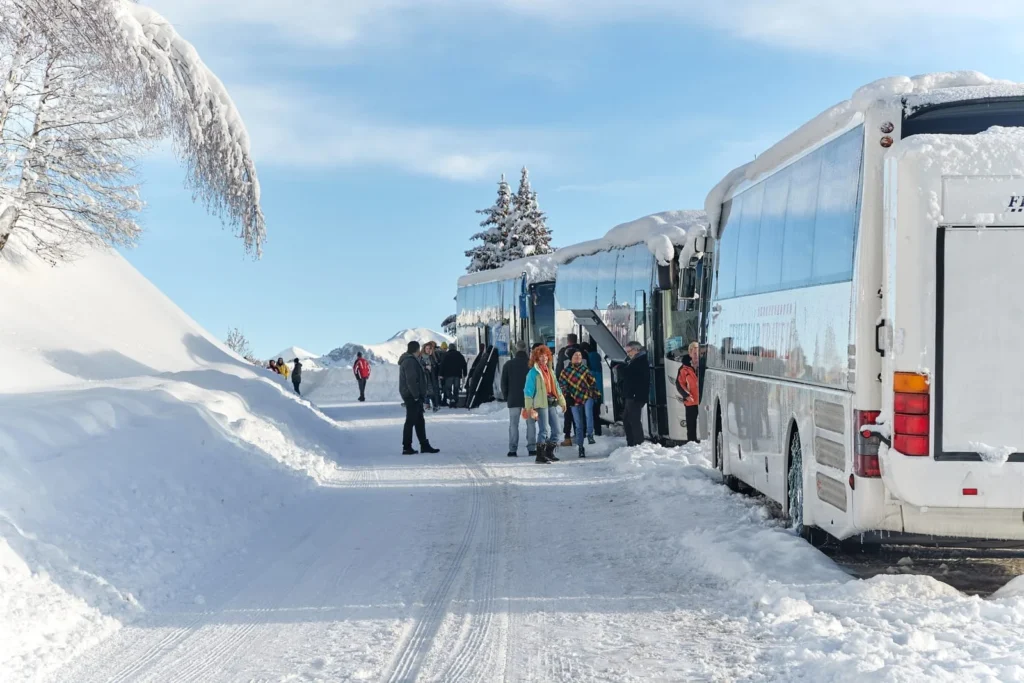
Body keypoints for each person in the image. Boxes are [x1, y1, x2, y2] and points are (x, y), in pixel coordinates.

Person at [523, 344, 566, 464]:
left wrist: (562, 401)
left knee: (557, 430)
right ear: (536, 358)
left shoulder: (550, 371)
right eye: (541, 356)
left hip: (551, 402)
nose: (544, 358)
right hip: (541, 404)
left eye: (546, 356)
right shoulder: (533, 373)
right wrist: (529, 408)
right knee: (544, 429)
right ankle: (540, 456)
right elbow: (528, 391)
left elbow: (556, 387)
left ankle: (548, 452)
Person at [398, 341, 440, 455]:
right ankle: (407, 447)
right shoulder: (410, 361)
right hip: (412, 396)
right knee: (411, 420)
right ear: (416, 350)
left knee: (419, 420)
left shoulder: (410, 360)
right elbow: (411, 380)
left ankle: (424, 444)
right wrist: (416, 396)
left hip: (413, 395)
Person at [559, 350, 599, 458]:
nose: (578, 357)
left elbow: (592, 382)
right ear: (571, 358)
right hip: (574, 398)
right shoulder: (565, 372)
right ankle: (581, 447)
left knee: (588, 414)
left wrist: (594, 393)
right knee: (578, 424)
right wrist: (567, 397)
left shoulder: (585, 369)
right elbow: (562, 386)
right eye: (576, 355)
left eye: (580, 355)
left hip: (587, 396)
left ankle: (590, 435)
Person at [500, 340, 535, 458]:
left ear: (516, 349)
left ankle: (513, 449)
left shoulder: (508, 364)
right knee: (530, 423)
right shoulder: (532, 365)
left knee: (514, 424)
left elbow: (503, 383)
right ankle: (531, 448)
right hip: (529, 399)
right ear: (526, 350)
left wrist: (507, 396)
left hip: (513, 398)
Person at [621, 341, 650, 447]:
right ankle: (632, 442)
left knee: (633, 420)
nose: (628, 353)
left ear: (636, 350)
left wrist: (622, 369)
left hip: (635, 396)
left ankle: (637, 443)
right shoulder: (635, 360)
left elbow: (632, 376)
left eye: (629, 351)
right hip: (631, 395)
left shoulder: (640, 361)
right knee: (627, 419)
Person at [555, 333, 581, 446]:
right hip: (580, 388)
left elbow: (558, 370)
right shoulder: (582, 351)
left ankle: (567, 437)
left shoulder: (563, 353)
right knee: (579, 412)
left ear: (568, 341)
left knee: (568, 413)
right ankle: (579, 435)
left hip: (567, 388)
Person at [675, 354, 700, 444]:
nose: (696, 359)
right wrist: (687, 395)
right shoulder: (683, 369)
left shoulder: (702, 366)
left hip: (703, 401)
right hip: (691, 401)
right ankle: (692, 442)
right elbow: (680, 384)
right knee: (691, 423)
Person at [585, 341, 604, 437]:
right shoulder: (596, 356)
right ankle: (598, 431)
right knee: (596, 412)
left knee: (592, 412)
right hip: (599, 390)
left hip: (593, 391)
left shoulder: (590, 368)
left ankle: (594, 432)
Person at [440, 343, 467, 408]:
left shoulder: (445, 355)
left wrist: (441, 374)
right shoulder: (459, 355)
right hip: (457, 375)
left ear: (449, 348)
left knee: (448, 389)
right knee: (456, 389)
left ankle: (451, 398)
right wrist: (465, 373)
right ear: (455, 348)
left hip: (448, 375)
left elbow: (442, 365)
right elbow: (464, 364)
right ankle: (455, 401)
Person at [420, 342, 441, 412]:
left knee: (434, 391)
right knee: (426, 391)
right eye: (427, 348)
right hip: (425, 377)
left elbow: (437, 366)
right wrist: (425, 367)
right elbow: (418, 367)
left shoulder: (433, 357)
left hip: (433, 377)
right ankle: (426, 404)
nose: (428, 350)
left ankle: (435, 405)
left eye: (429, 348)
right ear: (424, 349)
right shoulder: (421, 357)